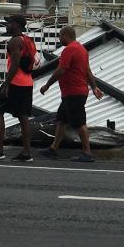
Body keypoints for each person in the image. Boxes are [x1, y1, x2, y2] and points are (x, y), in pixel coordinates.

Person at [38, 25, 103, 163]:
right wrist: (94, 87)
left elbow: (61, 70)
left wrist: (47, 85)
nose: (59, 38)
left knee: (80, 123)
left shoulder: (69, 50)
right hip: (73, 92)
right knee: (61, 120)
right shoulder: (82, 49)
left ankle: (87, 152)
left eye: (60, 35)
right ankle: (53, 149)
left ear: (66, 35)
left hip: (74, 92)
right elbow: (87, 71)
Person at [0, 14, 37, 162]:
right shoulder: (28, 40)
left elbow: (14, 64)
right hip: (27, 82)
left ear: (17, 25)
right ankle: (27, 152)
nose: (7, 26)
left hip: (15, 83)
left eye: (10, 23)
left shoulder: (14, 41)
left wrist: (6, 84)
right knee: (23, 116)